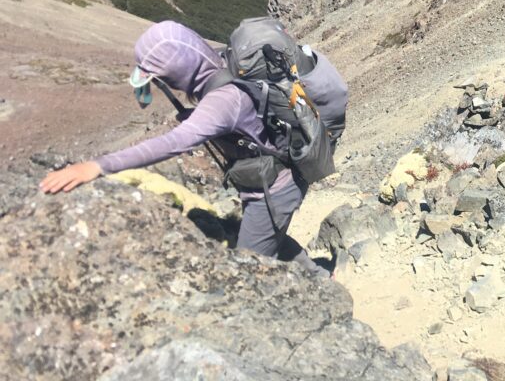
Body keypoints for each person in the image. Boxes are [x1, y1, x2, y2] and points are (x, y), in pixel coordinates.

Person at [39, 20, 337, 278]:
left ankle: (318, 291)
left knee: (249, 263)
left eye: (165, 79)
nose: (169, 86)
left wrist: (98, 166)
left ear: (180, 70)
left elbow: (174, 142)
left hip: (274, 189)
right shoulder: (221, 64)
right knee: (268, 232)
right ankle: (319, 276)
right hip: (266, 180)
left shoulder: (223, 102)